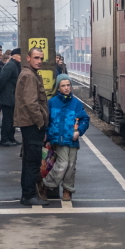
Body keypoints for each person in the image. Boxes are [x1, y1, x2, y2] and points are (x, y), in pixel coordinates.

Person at [39, 73, 89, 202]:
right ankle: (46, 184)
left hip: (72, 139)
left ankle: (68, 190)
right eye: (63, 85)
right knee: (63, 164)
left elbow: (84, 119)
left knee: (71, 165)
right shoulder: (52, 103)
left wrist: (79, 131)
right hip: (57, 139)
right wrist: (47, 134)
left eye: (68, 85)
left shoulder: (76, 103)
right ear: (58, 88)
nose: (66, 88)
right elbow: (46, 120)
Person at [14, 47, 49, 206]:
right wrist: (41, 122)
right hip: (32, 124)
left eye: (41, 58)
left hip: (28, 123)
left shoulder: (30, 74)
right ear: (28, 58)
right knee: (33, 161)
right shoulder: (29, 76)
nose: (39, 61)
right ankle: (29, 195)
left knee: (29, 159)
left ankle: (26, 194)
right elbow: (31, 103)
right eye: (36, 57)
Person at [0, 48, 21, 146]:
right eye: (20, 56)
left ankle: (11, 138)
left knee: (12, 119)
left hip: (11, 96)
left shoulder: (15, 65)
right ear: (15, 56)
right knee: (7, 119)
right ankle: (4, 140)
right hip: (7, 96)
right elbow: (1, 79)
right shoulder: (10, 65)